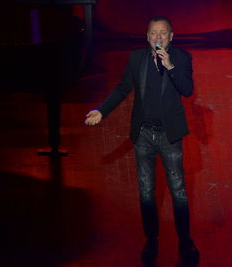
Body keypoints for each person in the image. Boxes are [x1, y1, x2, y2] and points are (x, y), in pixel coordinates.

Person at [85, 16, 199, 265]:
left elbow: (188, 90)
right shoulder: (136, 59)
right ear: (147, 37)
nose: (158, 37)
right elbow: (122, 88)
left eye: (163, 33)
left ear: (171, 37)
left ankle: (185, 240)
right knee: (146, 192)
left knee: (178, 191)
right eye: (153, 33)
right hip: (143, 135)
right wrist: (102, 110)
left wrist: (170, 67)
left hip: (170, 135)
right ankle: (152, 240)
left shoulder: (181, 58)